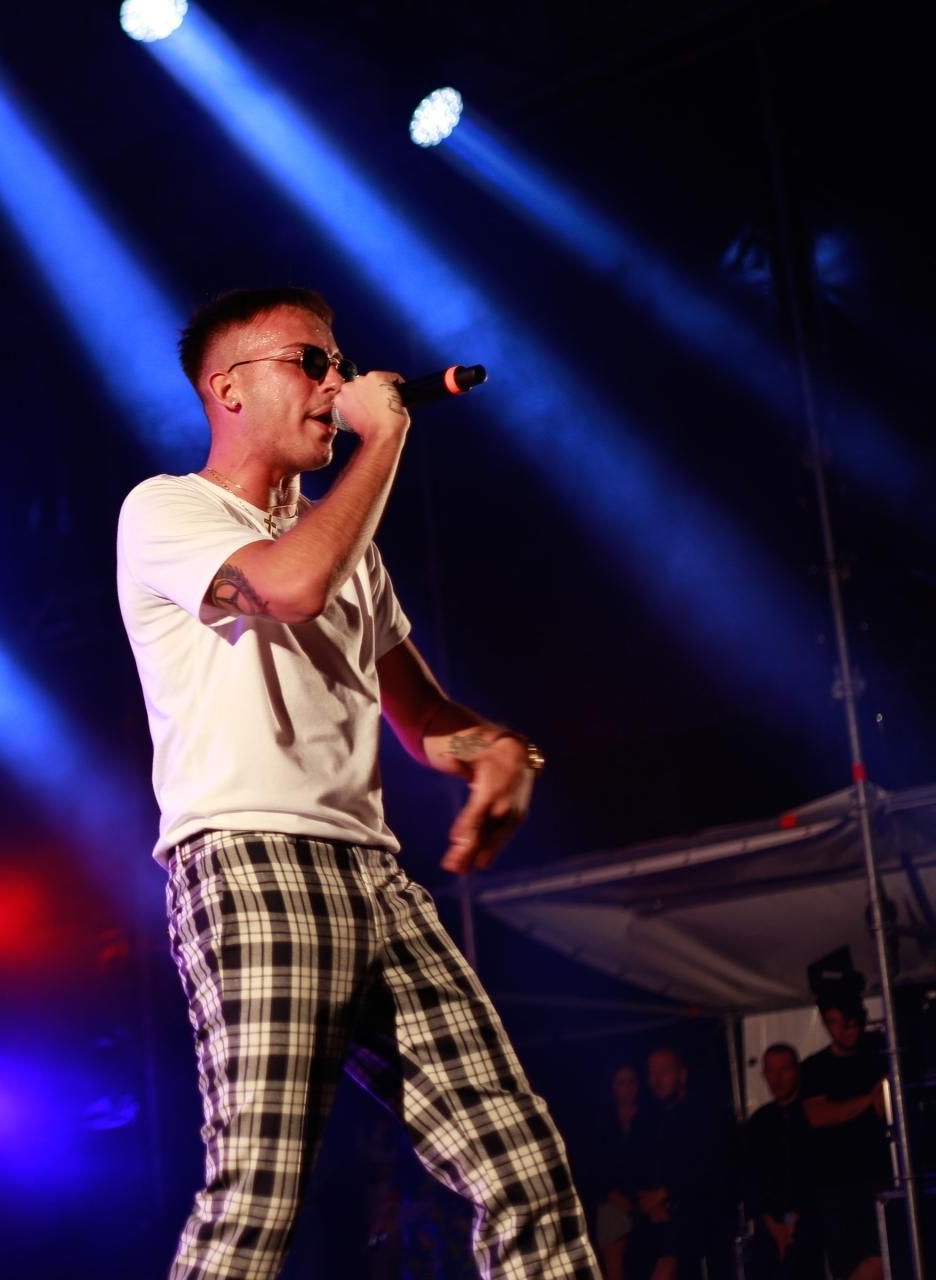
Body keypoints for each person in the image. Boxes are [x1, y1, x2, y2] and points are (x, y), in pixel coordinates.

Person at [115, 286, 594, 1279]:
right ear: (228, 388)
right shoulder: (168, 509)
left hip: (373, 876)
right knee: (258, 1196)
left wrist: (502, 750)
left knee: (523, 1169)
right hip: (252, 861)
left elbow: (424, 718)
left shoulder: (347, 549)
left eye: (341, 363)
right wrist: (387, 438)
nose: (338, 381)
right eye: (311, 361)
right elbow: (289, 585)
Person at [801, 993, 890, 1280]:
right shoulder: (815, 1067)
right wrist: (867, 1100)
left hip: (879, 1176)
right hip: (838, 1186)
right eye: (832, 1023)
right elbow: (818, 1115)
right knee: (850, 1265)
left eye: (846, 1022)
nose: (840, 1030)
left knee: (882, 1259)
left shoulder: (878, 1055)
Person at [626, 1045, 732, 1280]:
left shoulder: (704, 1114)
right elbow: (633, 1167)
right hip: (652, 1219)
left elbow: (711, 1166)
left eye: (664, 1072)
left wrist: (666, 1193)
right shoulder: (646, 1120)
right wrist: (646, 1201)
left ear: (682, 1074)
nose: (657, 1080)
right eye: (652, 1073)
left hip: (694, 1216)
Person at [740, 1043, 821, 1279]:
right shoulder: (759, 1122)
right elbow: (751, 1176)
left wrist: (792, 1220)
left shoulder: (811, 1113)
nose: (777, 1079)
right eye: (771, 1071)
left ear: (796, 1070)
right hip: (769, 1228)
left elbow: (812, 1170)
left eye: (784, 1070)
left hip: (810, 1223)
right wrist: (772, 1224)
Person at [584, 1062, 647, 1280]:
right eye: (622, 1083)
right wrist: (614, 1196)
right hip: (612, 1202)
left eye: (631, 1082)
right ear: (613, 1087)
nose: (627, 1088)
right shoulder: (603, 1123)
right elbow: (595, 1167)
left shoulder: (649, 1118)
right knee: (615, 1267)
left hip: (644, 1201)